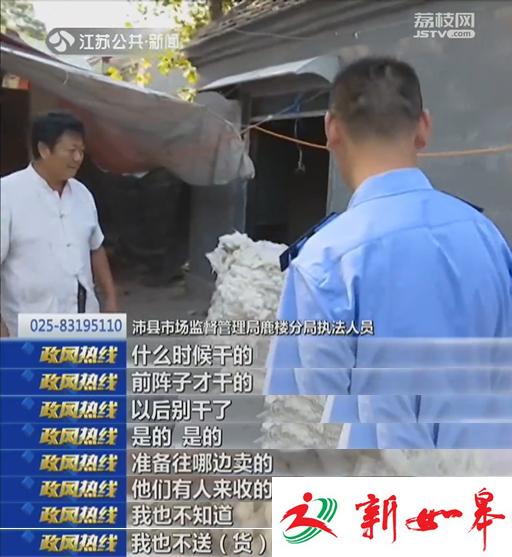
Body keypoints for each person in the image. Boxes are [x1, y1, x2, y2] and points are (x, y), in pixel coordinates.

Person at [264, 57, 512, 448]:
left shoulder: (323, 262)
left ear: (331, 128)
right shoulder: (487, 238)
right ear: (424, 127)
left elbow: (303, 423)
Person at [0, 111, 118, 337]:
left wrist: (111, 298)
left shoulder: (82, 194)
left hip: (85, 321)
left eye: (81, 151)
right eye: (71, 150)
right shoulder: (7, 194)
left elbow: (96, 248)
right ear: (44, 150)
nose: (78, 158)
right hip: (27, 328)